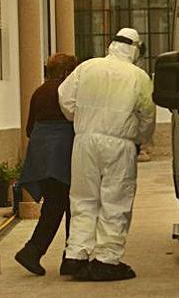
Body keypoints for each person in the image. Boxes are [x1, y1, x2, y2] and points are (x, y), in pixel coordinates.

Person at [58, 28, 156, 281]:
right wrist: (140, 139)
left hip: (84, 141)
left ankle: (76, 255)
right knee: (115, 201)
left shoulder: (87, 67)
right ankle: (107, 260)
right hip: (119, 143)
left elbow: (65, 98)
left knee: (83, 199)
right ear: (135, 49)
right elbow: (147, 114)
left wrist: (80, 120)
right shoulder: (139, 76)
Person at [14, 53, 78, 276]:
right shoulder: (67, 90)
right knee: (72, 205)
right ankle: (67, 257)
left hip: (41, 157)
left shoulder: (39, 92)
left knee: (55, 203)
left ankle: (37, 251)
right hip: (62, 156)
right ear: (66, 72)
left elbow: (30, 128)